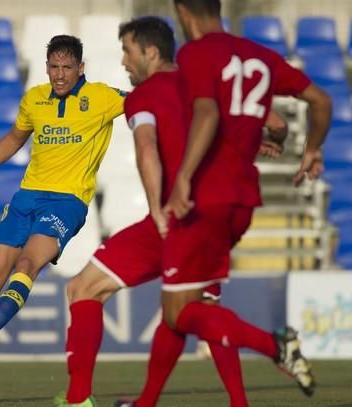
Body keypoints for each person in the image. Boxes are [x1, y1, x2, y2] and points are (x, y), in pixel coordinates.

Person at [54, 17, 288, 407]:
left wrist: (158, 211)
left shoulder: (143, 97)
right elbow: (276, 123)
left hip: (171, 218)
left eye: (127, 52)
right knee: (200, 310)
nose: (124, 62)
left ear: (150, 51)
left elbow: (147, 151)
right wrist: (259, 139)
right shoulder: (204, 80)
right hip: (211, 218)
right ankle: (238, 400)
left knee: (84, 289)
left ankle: (79, 400)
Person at [117, 1, 332, 405]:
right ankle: (152, 403)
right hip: (243, 202)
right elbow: (315, 103)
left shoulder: (196, 54)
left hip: (204, 199)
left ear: (182, 11)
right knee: (184, 304)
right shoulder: (260, 57)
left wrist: (182, 178)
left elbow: (208, 111)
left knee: (182, 311)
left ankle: (276, 345)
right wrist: (310, 149)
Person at [0, 34, 127, 405]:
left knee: (28, 263)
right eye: (54, 67)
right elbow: (13, 138)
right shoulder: (35, 99)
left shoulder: (104, 98)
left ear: (81, 69)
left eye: (67, 67)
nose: (60, 75)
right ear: (46, 68)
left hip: (67, 202)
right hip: (26, 197)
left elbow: (153, 100)